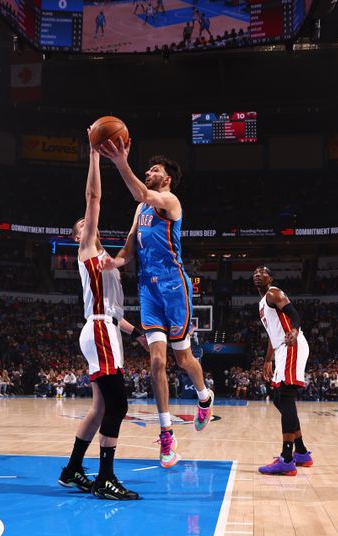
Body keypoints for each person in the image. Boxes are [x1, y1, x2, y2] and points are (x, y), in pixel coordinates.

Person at [97, 139, 214, 469]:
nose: (149, 171)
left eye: (154, 169)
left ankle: (204, 396)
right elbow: (130, 244)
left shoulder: (169, 201)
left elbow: (141, 193)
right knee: (157, 361)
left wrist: (121, 162)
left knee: (183, 357)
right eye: (146, 168)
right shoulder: (141, 209)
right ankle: (166, 435)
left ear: (167, 179)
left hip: (174, 287)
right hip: (148, 290)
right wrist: (117, 262)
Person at [58, 134, 147, 500]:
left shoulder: (107, 263)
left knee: (99, 407)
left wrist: (136, 331)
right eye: (82, 226)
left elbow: (114, 313)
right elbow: (92, 198)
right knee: (119, 404)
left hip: (106, 327)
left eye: (88, 225)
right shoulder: (87, 251)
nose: (87, 226)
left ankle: (73, 469)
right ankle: (105, 477)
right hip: (97, 330)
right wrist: (95, 156)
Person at [253, 266, 313, 476]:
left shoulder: (273, 293)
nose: (257, 275)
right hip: (281, 349)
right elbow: (272, 333)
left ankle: (287, 459)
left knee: (286, 397)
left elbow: (293, 313)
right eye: (255, 273)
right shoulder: (262, 303)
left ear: (270, 278)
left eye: (262, 272)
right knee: (278, 398)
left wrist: (295, 329)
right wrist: (267, 360)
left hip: (291, 344)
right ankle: (302, 453)